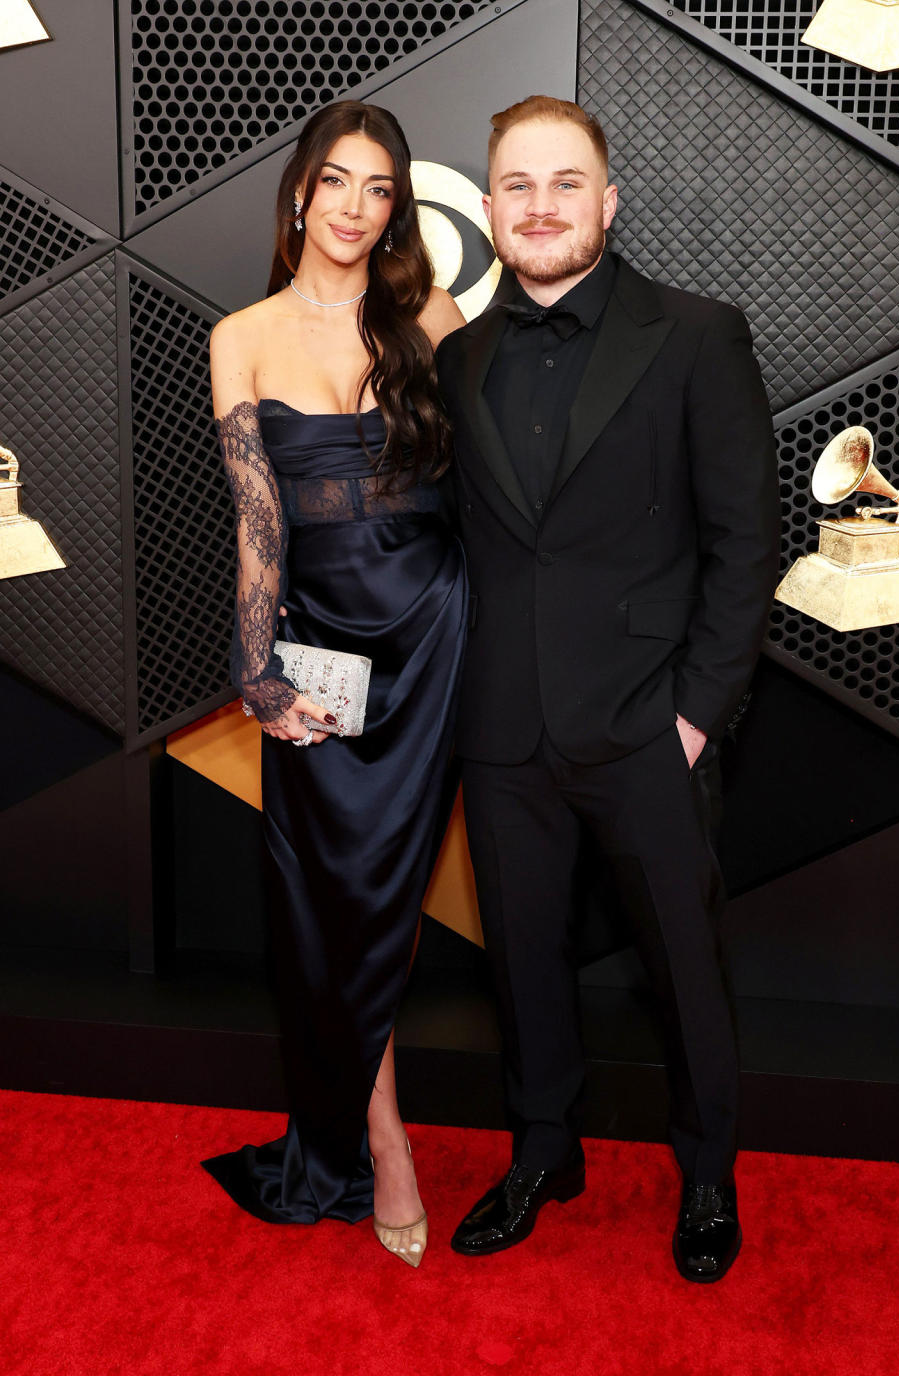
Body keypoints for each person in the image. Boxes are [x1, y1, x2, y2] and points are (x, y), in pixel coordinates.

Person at [436, 96, 780, 1282]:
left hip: (647, 723)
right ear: (488, 212)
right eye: (518, 186)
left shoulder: (696, 334)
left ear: (608, 199)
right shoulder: (460, 354)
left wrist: (693, 715)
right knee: (523, 960)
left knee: (685, 964)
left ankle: (708, 1175)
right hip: (503, 724)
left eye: (565, 182)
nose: (540, 205)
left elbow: (745, 545)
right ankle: (543, 1150)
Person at [201, 100, 467, 1268]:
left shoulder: (432, 316)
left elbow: (491, 491)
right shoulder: (242, 334)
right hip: (327, 651)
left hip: (441, 631)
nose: (356, 208)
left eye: (379, 189)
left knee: (393, 897)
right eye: (337, 182)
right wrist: (256, 670)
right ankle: (378, 1128)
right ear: (300, 192)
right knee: (338, 897)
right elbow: (259, 526)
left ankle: (386, 1136)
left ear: (395, 208)